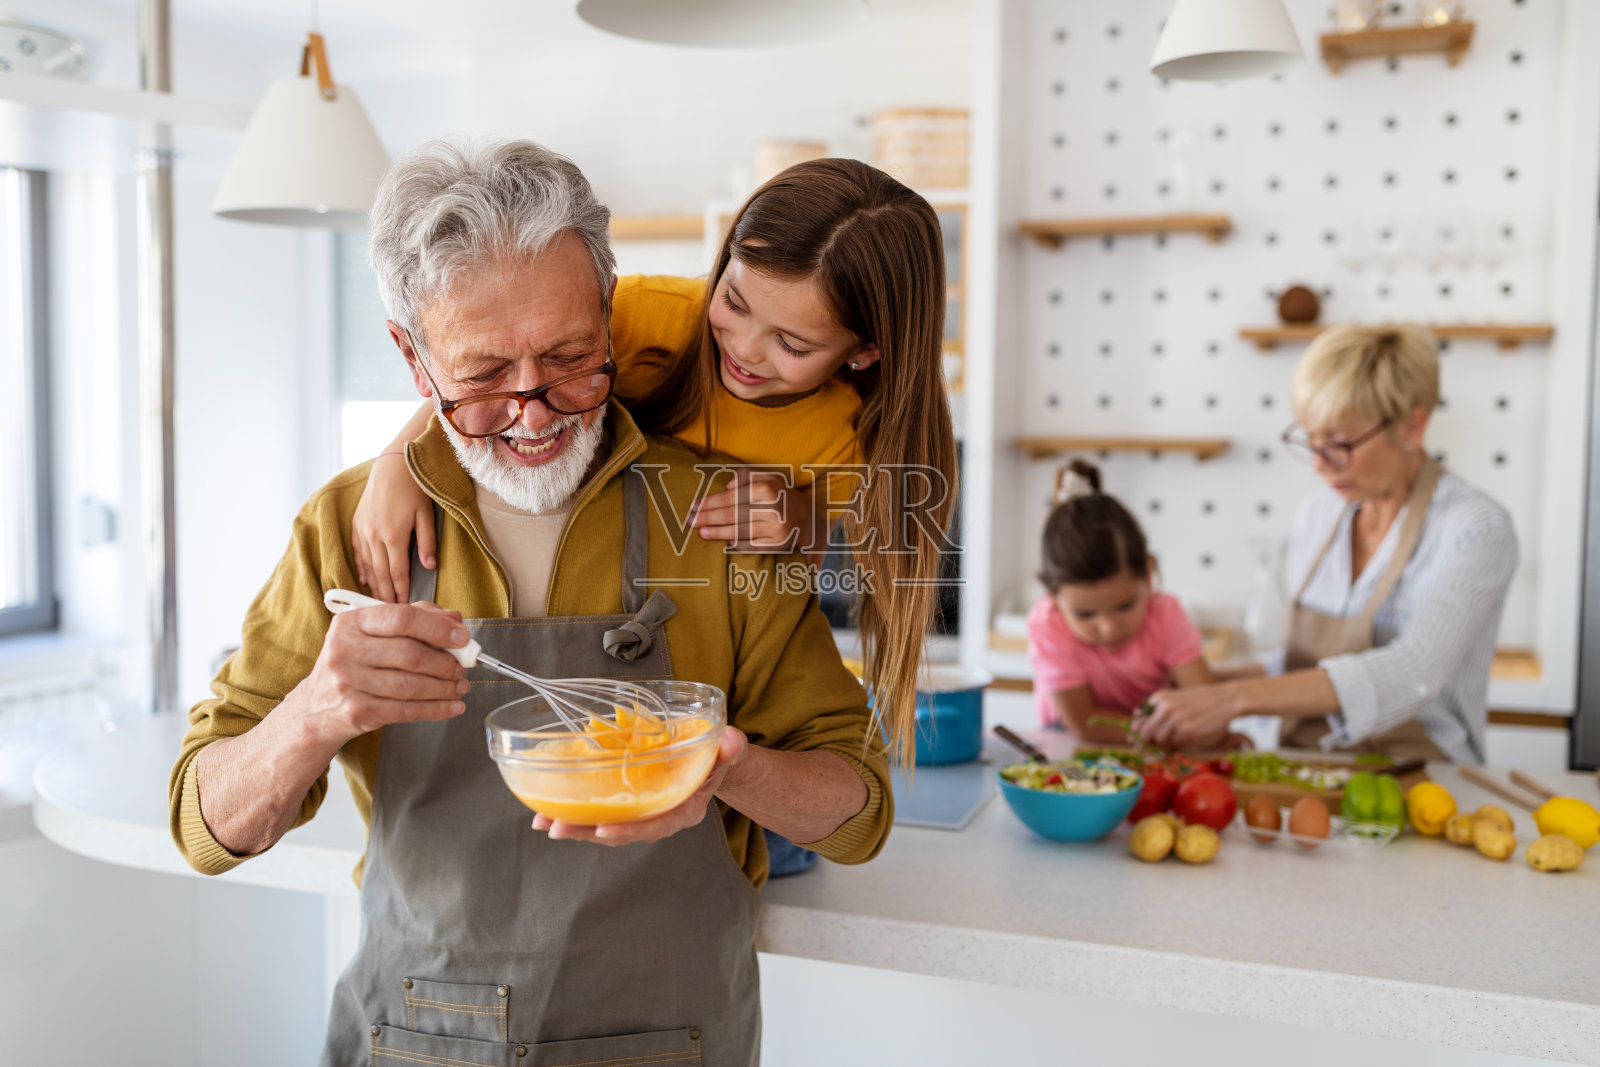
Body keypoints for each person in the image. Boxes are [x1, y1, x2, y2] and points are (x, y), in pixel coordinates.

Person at [168, 138, 891, 1067]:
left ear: (610, 316)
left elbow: (860, 809)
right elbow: (202, 825)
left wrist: (721, 771)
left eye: (570, 357)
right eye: (481, 377)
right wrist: (312, 713)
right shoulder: (347, 527)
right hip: (418, 1038)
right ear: (412, 356)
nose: (534, 412)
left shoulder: (723, 520)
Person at [351, 157, 959, 778]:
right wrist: (398, 461)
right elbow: (492, 375)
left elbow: (792, 585)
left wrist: (800, 516)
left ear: (863, 352)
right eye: (734, 300)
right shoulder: (645, 315)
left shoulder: (849, 441)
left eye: (792, 344)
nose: (745, 348)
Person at [1135, 325, 1518, 763]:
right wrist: (1199, 685)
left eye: (1339, 443)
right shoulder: (1319, 513)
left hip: (1424, 774)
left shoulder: (1475, 528)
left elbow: (1415, 671)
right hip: (1308, 766)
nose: (1319, 465)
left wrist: (1233, 699)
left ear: (1411, 426)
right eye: (1310, 441)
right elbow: (1305, 665)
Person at [1027, 460, 1214, 744]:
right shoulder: (1047, 623)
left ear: (1149, 574)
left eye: (1125, 606)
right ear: (1052, 596)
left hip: (1152, 743)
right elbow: (1085, 724)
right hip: (1069, 741)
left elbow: (1205, 706)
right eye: (1085, 614)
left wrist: (1207, 732)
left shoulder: (1166, 614)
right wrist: (1178, 733)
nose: (1109, 628)